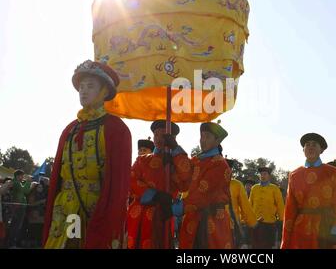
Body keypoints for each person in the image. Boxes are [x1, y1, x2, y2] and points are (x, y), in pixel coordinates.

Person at [43, 60, 132, 249]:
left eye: (90, 86)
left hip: (97, 211)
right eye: (81, 87)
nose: (83, 91)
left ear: (105, 91)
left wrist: (110, 220)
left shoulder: (116, 129)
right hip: (66, 211)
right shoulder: (70, 130)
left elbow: (119, 184)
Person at [127, 120, 191, 249]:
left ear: (173, 138)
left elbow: (187, 181)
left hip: (164, 215)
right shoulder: (142, 160)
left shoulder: (176, 163)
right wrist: (154, 195)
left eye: (164, 135)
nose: (159, 138)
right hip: (140, 217)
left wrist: (176, 151)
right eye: (156, 134)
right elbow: (131, 180)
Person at [281, 133, 336, 249]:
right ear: (303, 150)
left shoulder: (332, 172)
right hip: (300, 230)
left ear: (321, 149)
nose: (310, 147)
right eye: (307, 145)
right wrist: (286, 239)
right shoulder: (294, 175)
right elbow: (290, 208)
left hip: (326, 228)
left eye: (314, 144)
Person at [176, 122, 234, 249]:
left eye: (207, 137)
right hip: (193, 218)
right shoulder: (197, 160)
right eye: (201, 136)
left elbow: (202, 194)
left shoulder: (220, 164)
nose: (203, 140)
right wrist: (175, 152)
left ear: (217, 140)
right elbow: (183, 178)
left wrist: (179, 207)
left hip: (213, 222)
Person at [249, 166, 284, 249]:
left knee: (267, 246)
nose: (262, 176)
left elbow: (280, 205)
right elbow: (250, 204)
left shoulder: (274, 189)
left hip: (269, 223)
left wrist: (282, 219)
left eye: (265, 174)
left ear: (269, 176)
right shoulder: (254, 188)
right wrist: (248, 219)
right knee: (255, 246)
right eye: (261, 174)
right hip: (256, 223)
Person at [226, 159, 257, 248]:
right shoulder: (212, 183)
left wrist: (252, 222)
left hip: (233, 224)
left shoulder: (237, 185)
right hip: (214, 224)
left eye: (229, 169)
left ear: (231, 170)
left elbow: (245, 207)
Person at [8, 170, 37, 248]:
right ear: (18, 176)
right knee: (15, 226)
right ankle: (11, 243)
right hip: (18, 207)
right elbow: (25, 191)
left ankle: (13, 243)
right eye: (22, 176)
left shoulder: (17, 182)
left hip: (19, 207)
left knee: (16, 226)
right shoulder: (16, 182)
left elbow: (24, 189)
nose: (23, 177)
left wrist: (28, 183)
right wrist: (29, 182)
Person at [0, 178, 13, 247]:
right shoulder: (2, 187)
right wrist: (7, 183)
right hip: (3, 212)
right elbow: (1, 191)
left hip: (4, 214)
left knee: (3, 231)